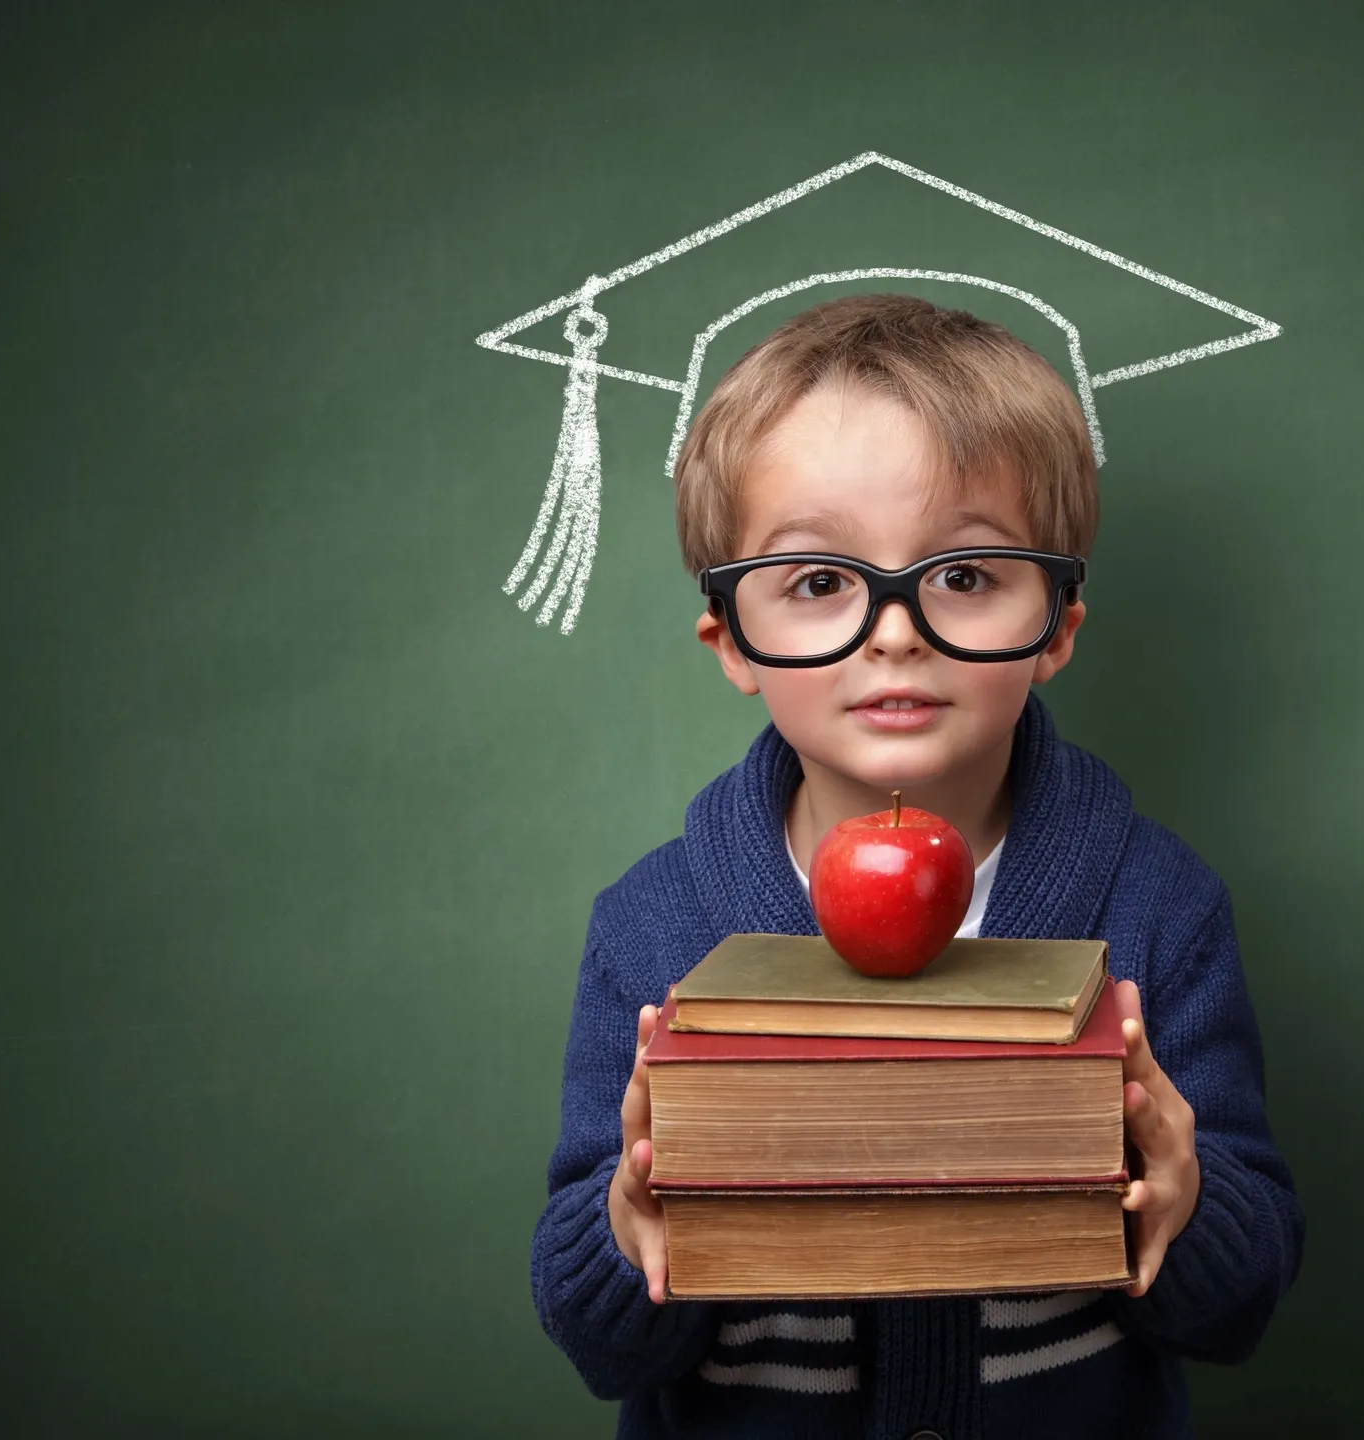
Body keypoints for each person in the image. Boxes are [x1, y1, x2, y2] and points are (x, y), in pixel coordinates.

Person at [531, 294, 1304, 1439]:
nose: (894, 631)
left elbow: (1234, 1311)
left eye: (961, 576)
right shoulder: (653, 926)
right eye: (815, 582)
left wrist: (1180, 1204)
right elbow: (598, 1342)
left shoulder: (1156, 905)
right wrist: (630, 1226)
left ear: (1056, 625)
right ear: (732, 641)